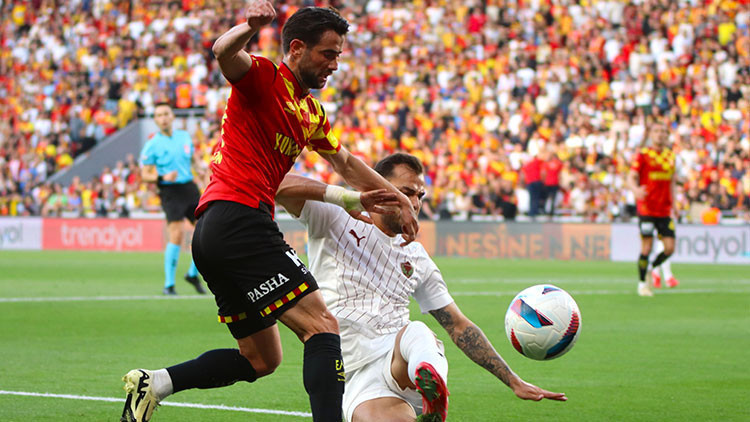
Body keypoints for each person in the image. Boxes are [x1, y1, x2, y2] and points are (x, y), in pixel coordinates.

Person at [121, 3, 418, 422]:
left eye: (338, 55)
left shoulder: (312, 112)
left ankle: (156, 383)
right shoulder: (263, 77)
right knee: (321, 325)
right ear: (296, 48)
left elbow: (347, 163)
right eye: (327, 54)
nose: (335, 65)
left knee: (261, 359)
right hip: (240, 219)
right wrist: (250, 26)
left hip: (214, 232)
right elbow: (223, 52)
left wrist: (397, 198)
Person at [276, 153, 567, 422]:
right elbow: (275, 183)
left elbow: (459, 326)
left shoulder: (417, 257)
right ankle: (426, 386)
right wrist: (345, 197)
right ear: (376, 186)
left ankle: (432, 387)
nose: (414, 203)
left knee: (418, 332)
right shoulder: (335, 216)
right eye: (406, 192)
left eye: (419, 195)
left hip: (399, 359)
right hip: (352, 371)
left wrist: (513, 380)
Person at [139, 102, 206, 296]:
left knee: (205, 230)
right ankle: (169, 285)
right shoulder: (152, 144)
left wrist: (200, 168)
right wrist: (162, 177)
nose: (163, 118)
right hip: (170, 191)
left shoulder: (184, 137)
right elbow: (145, 174)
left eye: (166, 114)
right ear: (155, 120)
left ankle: (192, 273)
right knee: (176, 234)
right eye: (159, 115)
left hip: (189, 188)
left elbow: (193, 158)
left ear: (172, 116)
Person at [626, 123, 680, 297]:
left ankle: (651, 267)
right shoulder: (643, 155)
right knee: (646, 247)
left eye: (663, 131)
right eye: (657, 131)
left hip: (664, 209)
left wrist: (675, 204)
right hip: (646, 208)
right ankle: (642, 284)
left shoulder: (671, 156)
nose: (660, 134)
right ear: (651, 134)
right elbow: (631, 177)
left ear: (667, 135)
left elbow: (672, 182)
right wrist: (635, 189)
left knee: (670, 248)